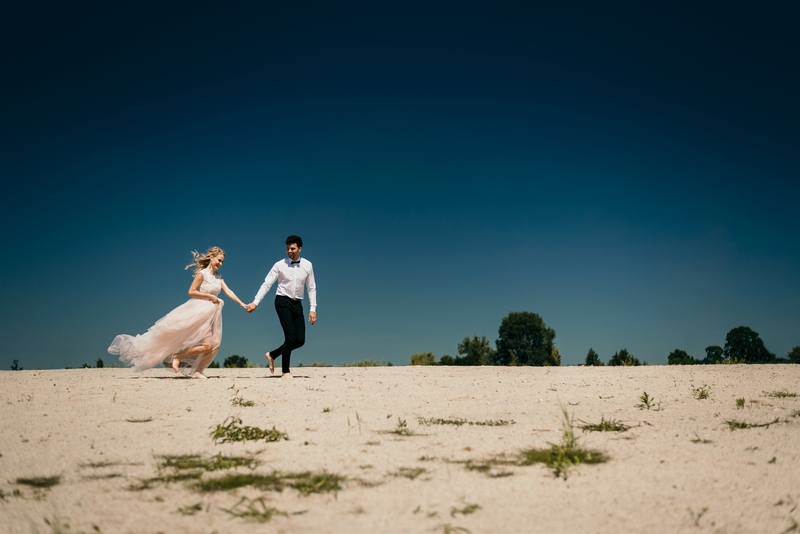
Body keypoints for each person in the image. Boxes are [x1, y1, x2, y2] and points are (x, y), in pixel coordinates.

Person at [108, 247, 249, 379]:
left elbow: (228, 291)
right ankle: (178, 355)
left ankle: (198, 371)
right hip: (200, 311)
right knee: (207, 345)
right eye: (219, 260)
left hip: (214, 313)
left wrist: (242, 304)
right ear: (211, 257)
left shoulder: (218, 276)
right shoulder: (202, 274)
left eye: (222, 261)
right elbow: (191, 291)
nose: (221, 263)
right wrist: (210, 297)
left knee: (215, 344)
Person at [246, 235, 317, 379]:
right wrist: (255, 302)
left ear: (300, 248)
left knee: (300, 340)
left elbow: (311, 288)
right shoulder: (279, 265)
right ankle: (285, 371)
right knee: (290, 336)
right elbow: (267, 284)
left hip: (298, 303)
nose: (289, 251)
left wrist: (313, 309)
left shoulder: (308, 265)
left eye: (292, 248)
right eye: (287, 248)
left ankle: (272, 354)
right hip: (282, 302)